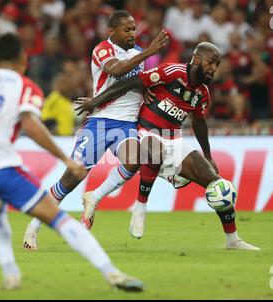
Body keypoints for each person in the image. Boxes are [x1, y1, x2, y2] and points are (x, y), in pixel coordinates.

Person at [0, 33, 143, 292]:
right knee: (60, 220)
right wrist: (64, 159)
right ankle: (113, 274)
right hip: (0, 169)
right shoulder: (25, 87)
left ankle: (11, 274)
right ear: (23, 59)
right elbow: (30, 124)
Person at [76, 42, 260, 250]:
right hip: (145, 132)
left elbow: (199, 122)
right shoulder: (172, 71)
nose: (213, 69)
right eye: (211, 62)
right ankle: (140, 208)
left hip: (175, 140)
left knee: (219, 185)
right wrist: (96, 101)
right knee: (155, 149)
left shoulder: (202, 93)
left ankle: (232, 239)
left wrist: (208, 156)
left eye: (217, 65)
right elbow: (132, 82)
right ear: (197, 59)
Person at [23, 10, 169, 249]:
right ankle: (33, 228)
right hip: (100, 122)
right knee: (71, 179)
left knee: (134, 160)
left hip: (127, 124)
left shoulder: (138, 54)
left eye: (134, 29)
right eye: (127, 29)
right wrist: (152, 51)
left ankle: (94, 197)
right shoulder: (103, 50)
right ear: (111, 31)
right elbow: (116, 71)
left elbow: (137, 81)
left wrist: (145, 89)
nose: (133, 33)